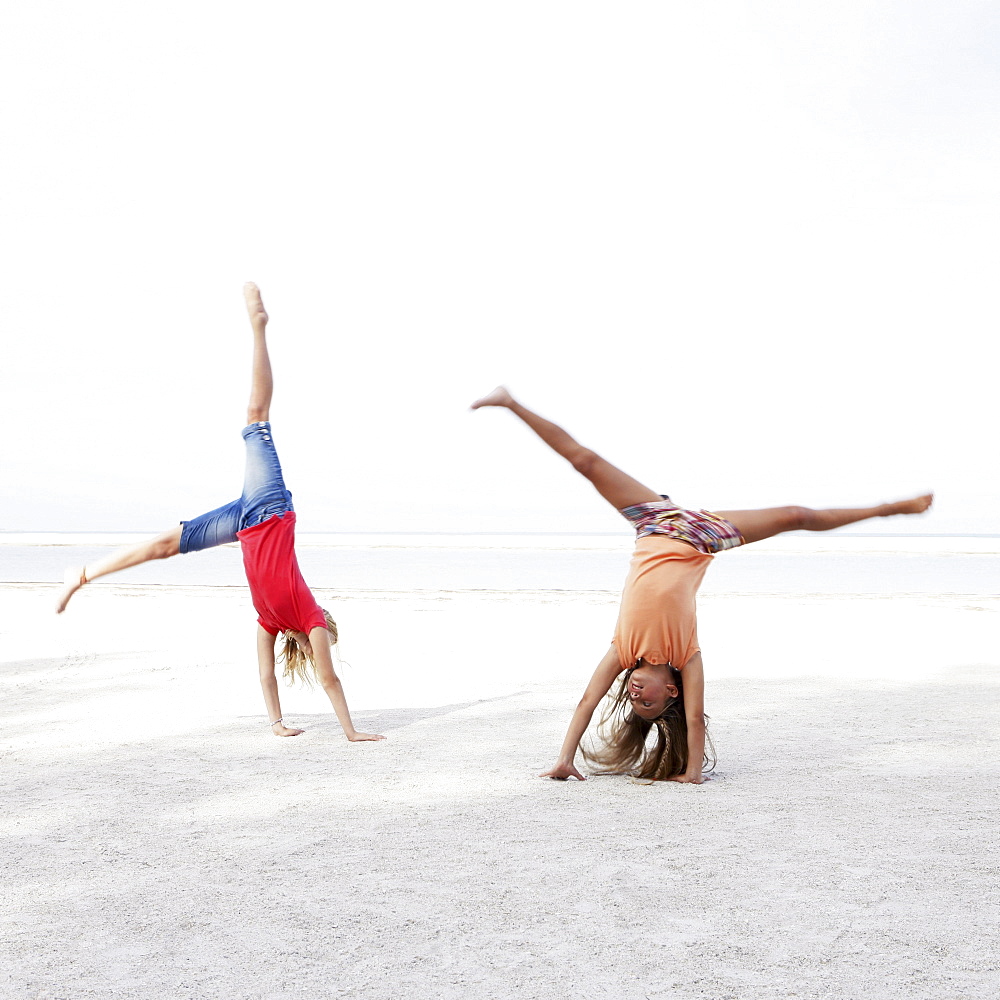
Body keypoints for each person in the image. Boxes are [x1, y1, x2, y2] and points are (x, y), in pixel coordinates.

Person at [470, 387, 932, 783]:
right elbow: (694, 718)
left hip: (655, 522)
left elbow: (586, 702)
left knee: (585, 461)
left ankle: (510, 402)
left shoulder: (621, 651)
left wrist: (564, 759)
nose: (635, 695)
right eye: (647, 702)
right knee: (796, 516)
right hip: (701, 536)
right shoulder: (686, 656)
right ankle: (890, 508)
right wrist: (692, 771)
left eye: (634, 699)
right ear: (669, 691)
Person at [55, 284, 384, 743]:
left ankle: (84, 574)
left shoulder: (291, 619)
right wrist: (334, 730)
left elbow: (293, 678)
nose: (324, 629)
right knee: (254, 419)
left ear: (318, 634)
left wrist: (295, 727)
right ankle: (259, 327)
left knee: (165, 543)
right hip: (265, 512)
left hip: (249, 522)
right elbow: (290, 678)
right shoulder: (286, 618)